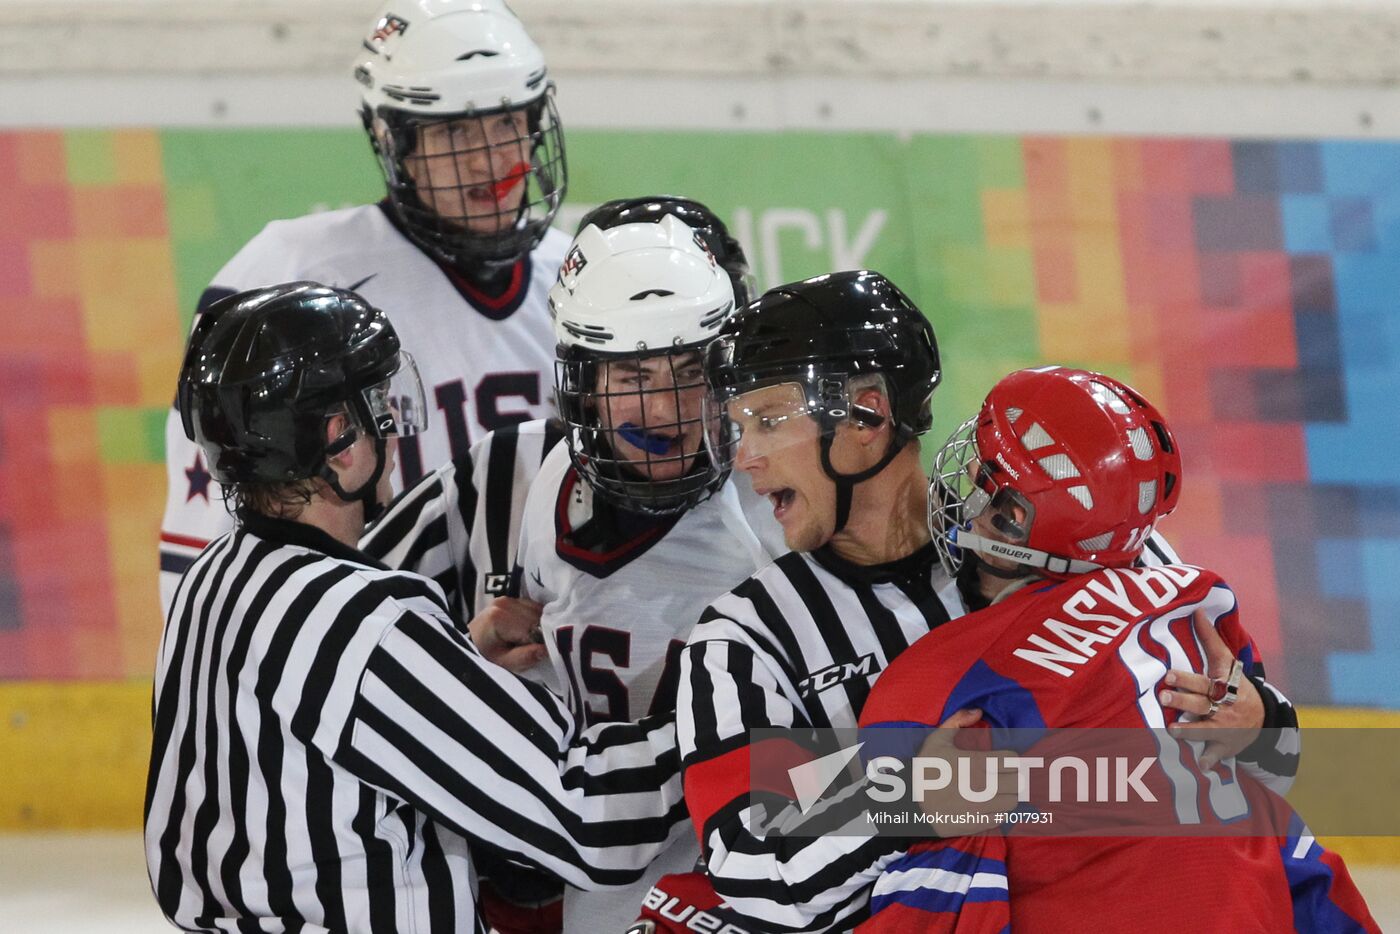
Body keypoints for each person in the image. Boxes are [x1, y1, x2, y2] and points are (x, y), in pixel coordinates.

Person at [669, 271, 1301, 933]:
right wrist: (909, 800)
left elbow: (1260, 769)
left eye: (768, 420)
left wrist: (1261, 725)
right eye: (739, 427)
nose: (745, 458)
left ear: (867, 415)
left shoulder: (1079, 537)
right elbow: (748, 867)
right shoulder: (747, 642)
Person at [145, 283, 683, 933]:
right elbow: (593, 817)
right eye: (378, 405)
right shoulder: (363, 624)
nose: (395, 427)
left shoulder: (214, 578)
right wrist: (748, 727)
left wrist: (450, 667)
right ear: (340, 441)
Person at [855, 366, 1376, 933]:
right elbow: (1273, 776)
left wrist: (909, 801)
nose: (966, 495)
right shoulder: (1197, 598)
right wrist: (1267, 718)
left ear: (1012, 519)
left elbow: (807, 818)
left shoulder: (949, 671)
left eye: (985, 483)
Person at [158, 0, 569, 613]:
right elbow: (208, 534)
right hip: (358, 669)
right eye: (455, 131)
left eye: (508, 122)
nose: (490, 160)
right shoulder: (288, 274)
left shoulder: (582, 281)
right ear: (392, 140)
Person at [360, 195, 758, 627]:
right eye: (634, 376)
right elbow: (339, 612)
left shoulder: (780, 487)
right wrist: (460, 653)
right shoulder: (502, 470)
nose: (664, 408)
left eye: (690, 370)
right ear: (585, 385)